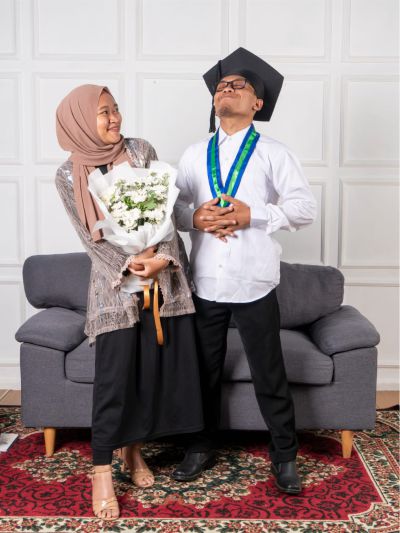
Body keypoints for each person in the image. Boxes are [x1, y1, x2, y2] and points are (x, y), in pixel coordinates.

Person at [172, 48, 317, 494]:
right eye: (221, 86)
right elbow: (174, 209)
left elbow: (304, 208)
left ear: (258, 103)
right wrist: (196, 218)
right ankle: (200, 446)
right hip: (205, 281)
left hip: (255, 281)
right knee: (202, 371)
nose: (226, 90)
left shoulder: (274, 153)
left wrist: (251, 215)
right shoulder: (194, 154)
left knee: (269, 373)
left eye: (238, 86)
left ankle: (284, 455)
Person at [55, 84, 203, 519]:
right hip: (113, 288)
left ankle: (133, 452)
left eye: (115, 108)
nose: (114, 117)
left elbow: (166, 217)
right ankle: (102, 470)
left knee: (147, 375)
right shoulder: (67, 174)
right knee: (114, 381)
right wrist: (129, 263)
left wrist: (160, 259)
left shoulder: (140, 150)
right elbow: (90, 240)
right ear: (81, 120)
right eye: (103, 112)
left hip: (161, 282)